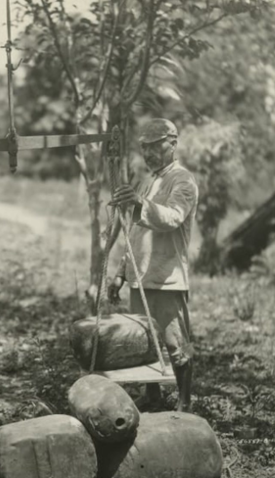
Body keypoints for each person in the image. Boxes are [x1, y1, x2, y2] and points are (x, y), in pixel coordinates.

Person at [107, 118, 198, 412]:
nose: (149, 154)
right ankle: (153, 395)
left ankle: (184, 403)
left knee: (177, 344)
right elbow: (136, 233)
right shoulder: (151, 181)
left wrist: (139, 203)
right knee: (145, 341)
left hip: (166, 278)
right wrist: (121, 273)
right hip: (141, 276)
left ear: (172, 143)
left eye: (156, 146)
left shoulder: (182, 181)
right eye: (144, 148)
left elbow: (172, 218)